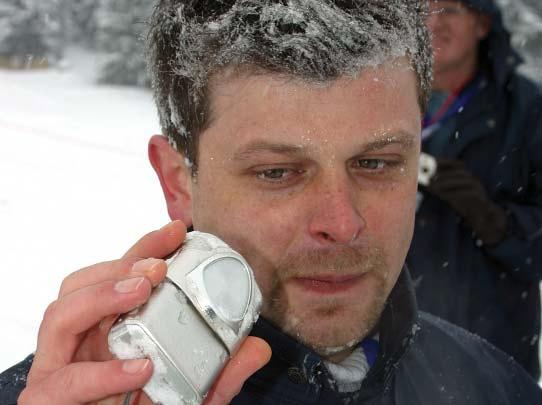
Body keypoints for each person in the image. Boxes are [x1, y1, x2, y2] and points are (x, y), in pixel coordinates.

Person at [1, 1, 541, 404]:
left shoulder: (493, 385)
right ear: (178, 181)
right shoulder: (57, 396)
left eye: (376, 163)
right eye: (277, 172)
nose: (341, 222)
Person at [408, 0, 542, 379]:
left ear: (482, 24)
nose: (433, 22)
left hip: (490, 345)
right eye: (422, 10)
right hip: (390, 340)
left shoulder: (526, 110)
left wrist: (494, 221)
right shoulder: (377, 101)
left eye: (449, 9)